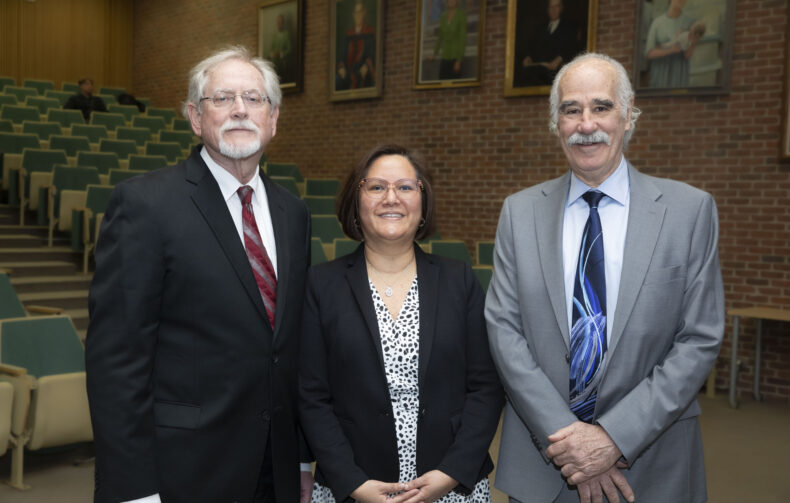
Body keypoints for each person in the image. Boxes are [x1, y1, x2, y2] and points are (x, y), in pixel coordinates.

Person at [485, 52, 724, 503]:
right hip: (545, 464)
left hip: (654, 463)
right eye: (570, 110)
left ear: (629, 116)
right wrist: (570, 442)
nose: (585, 123)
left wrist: (613, 438)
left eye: (601, 107)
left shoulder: (689, 212)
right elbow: (505, 332)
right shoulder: (519, 213)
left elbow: (699, 339)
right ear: (556, 124)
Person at [86, 46, 314, 503]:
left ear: (274, 119)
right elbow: (117, 360)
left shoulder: (294, 213)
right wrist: (133, 489)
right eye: (222, 98)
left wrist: (304, 460)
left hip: (277, 470)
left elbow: (292, 349)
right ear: (195, 117)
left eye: (254, 98)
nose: (239, 110)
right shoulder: (144, 205)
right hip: (181, 472)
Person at [299, 144, 504, 503]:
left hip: (451, 484)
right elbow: (312, 397)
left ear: (423, 203)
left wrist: (451, 473)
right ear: (355, 202)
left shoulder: (459, 280)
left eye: (406, 187)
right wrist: (352, 482)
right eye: (376, 187)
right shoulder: (321, 285)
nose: (391, 198)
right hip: (353, 487)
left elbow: (486, 387)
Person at [515, 0, 580, 87]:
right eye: (550, 7)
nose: (553, 10)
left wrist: (560, 58)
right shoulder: (540, 29)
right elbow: (532, 46)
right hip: (539, 69)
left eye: (556, 6)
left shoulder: (569, 28)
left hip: (556, 70)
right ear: (547, 9)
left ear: (561, 8)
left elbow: (571, 47)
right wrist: (528, 56)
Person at [644, 0, 701, 88]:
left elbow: (687, 55)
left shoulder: (690, 22)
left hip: (679, 76)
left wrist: (693, 43)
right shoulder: (657, 23)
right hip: (660, 75)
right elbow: (649, 53)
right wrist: (671, 50)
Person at [336, 0, 376, 91]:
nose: (358, 15)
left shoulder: (369, 32)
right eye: (356, 12)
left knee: (368, 78)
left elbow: (372, 53)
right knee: (337, 80)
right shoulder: (349, 34)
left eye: (360, 12)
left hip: (362, 69)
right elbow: (342, 54)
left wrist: (366, 65)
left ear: (364, 13)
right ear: (353, 15)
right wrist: (341, 67)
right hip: (348, 71)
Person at [430, 0, 467, 80]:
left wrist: (458, 60)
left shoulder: (461, 15)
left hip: (456, 56)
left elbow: (462, 39)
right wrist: (434, 54)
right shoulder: (443, 16)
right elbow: (440, 37)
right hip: (445, 56)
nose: (451, 1)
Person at [270, 14, 294, 84]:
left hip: (283, 62)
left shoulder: (286, 34)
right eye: (278, 23)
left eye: (281, 23)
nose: (279, 24)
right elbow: (271, 49)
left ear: (283, 23)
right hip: (275, 62)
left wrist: (280, 54)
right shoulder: (275, 35)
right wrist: (273, 54)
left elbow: (290, 49)